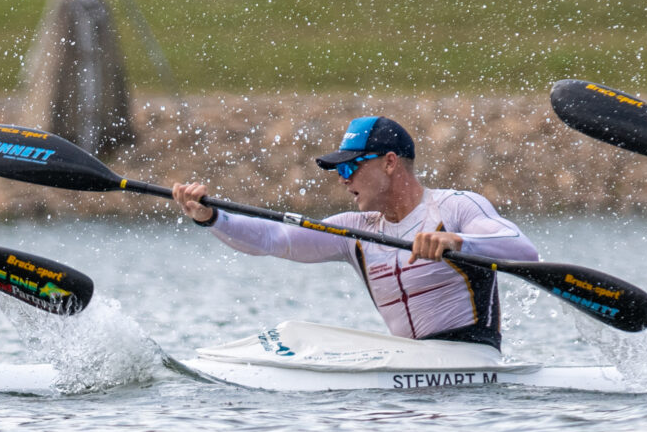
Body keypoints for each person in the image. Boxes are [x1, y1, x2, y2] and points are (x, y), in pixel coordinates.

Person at [170, 115, 541, 347]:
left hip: (471, 367)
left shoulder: (455, 207)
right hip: (410, 372)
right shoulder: (355, 231)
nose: (343, 181)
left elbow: (522, 250)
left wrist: (457, 240)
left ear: (390, 163)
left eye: (350, 169)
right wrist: (211, 218)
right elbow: (272, 238)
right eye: (338, 172)